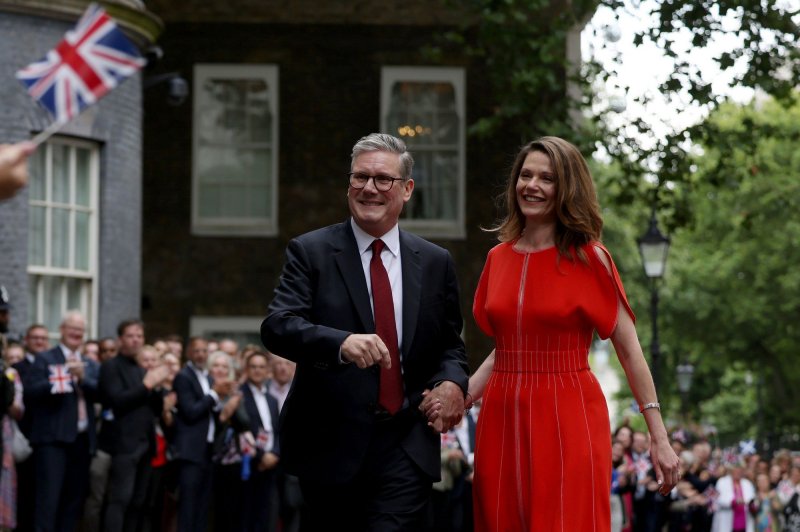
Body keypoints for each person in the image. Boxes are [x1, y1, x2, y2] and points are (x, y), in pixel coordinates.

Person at [453, 137, 680, 531]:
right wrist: (464, 396)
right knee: (498, 518)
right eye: (525, 175)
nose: (532, 186)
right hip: (501, 416)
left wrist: (658, 437)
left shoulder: (590, 259)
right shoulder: (497, 257)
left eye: (547, 178)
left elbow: (630, 352)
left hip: (567, 411)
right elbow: (508, 347)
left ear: (567, 188)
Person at [261, 132, 469, 530]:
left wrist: (451, 383)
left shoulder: (434, 261)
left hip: (404, 445)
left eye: (382, 179)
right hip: (328, 446)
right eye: (360, 177)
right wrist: (340, 343)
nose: (369, 188)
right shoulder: (311, 251)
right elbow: (277, 326)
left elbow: (450, 346)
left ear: (406, 189)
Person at [26, 310, 100, 532]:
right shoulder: (46, 358)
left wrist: (82, 378)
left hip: (81, 442)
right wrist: (60, 378)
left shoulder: (90, 364)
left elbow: (101, 393)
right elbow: (30, 393)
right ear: (61, 330)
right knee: (48, 501)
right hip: (53, 442)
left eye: (80, 329)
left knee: (73, 502)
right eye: (72, 328)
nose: (76, 333)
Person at [100, 320, 170, 532]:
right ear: (120, 340)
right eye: (131, 336)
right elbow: (116, 401)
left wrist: (157, 387)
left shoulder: (141, 369)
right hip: (124, 444)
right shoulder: (111, 366)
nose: (136, 340)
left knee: (139, 503)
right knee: (120, 499)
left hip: (146, 444)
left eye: (139, 336)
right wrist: (147, 385)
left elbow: (155, 409)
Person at [172, 337, 234, 532]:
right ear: (188, 353)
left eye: (204, 351)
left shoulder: (207, 378)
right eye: (196, 351)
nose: (200, 354)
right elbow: (190, 411)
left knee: (202, 506)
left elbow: (210, 412)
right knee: (188, 506)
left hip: (207, 450)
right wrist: (214, 394)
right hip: (190, 451)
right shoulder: (184, 376)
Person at [712, 460, 756, 532]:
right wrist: (734, 502)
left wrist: (752, 504)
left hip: (744, 520)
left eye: (740, 470)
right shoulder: (722, 482)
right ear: (731, 471)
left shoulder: (747, 483)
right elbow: (718, 500)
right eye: (736, 470)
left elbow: (752, 499)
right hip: (726, 519)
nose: (738, 472)